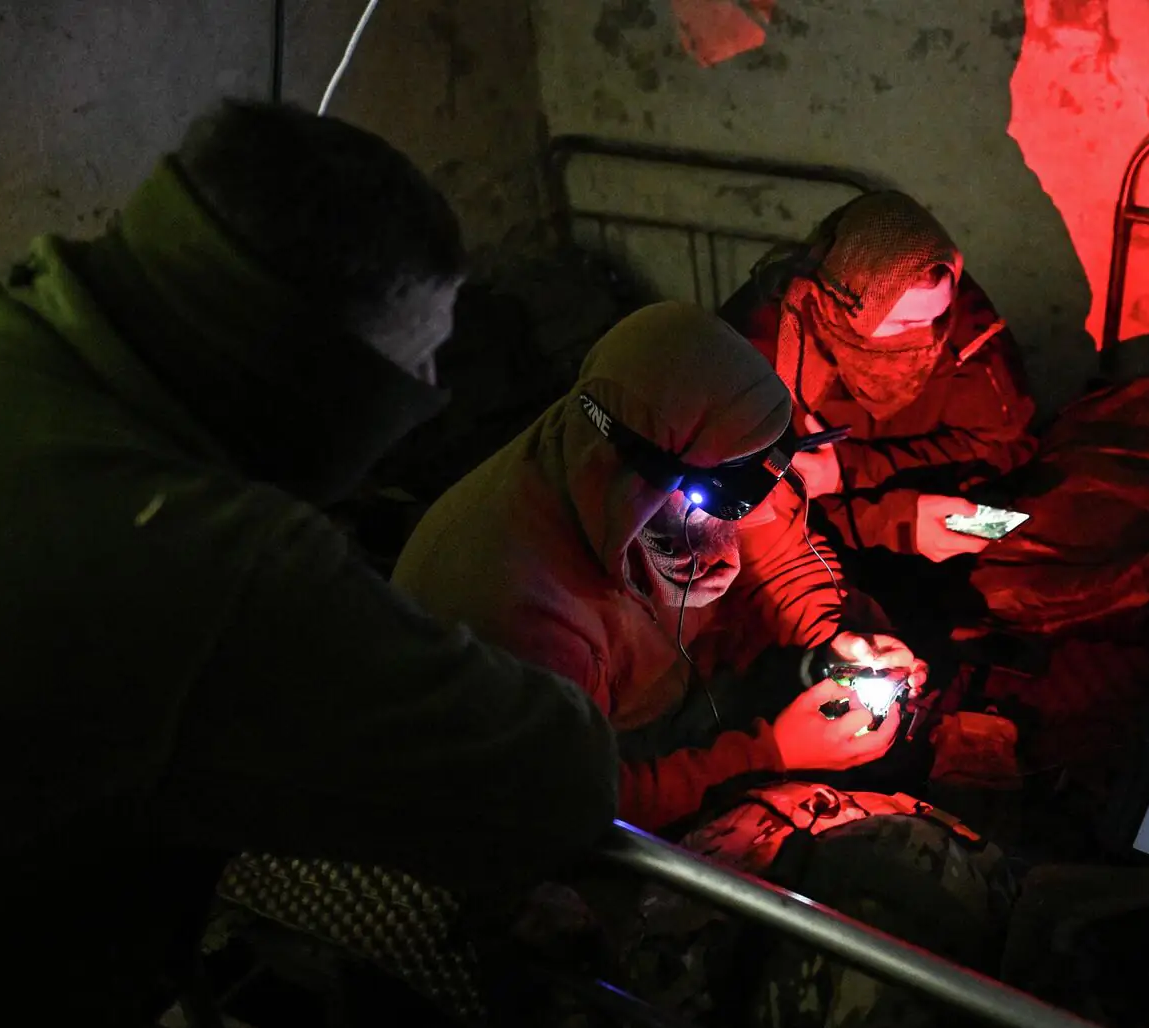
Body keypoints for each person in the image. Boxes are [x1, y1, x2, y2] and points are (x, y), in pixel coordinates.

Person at [0, 101, 627, 1028]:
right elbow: (552, 780)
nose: (433, 388)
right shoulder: (205, 557)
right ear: (312, 368)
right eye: (415, 364)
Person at [392, 301, 916, 834]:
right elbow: (590, 800)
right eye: (728, 499)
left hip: (677, 685)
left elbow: (769, 538)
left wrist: (830, 635)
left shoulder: (671, 451)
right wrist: (771, 753)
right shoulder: (527, 621)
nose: (747, 514)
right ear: (641, 484)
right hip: (594, 765)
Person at [719, 191, 1038, 566]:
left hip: (932, 528)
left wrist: (853, 471)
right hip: (821, 541)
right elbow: (746, 506)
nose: (928, 338)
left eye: (939, 317)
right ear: (843, 308)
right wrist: (892, 521)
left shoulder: (969, 337)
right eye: (904, 324)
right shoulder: (770, 346)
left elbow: (1007, 445)